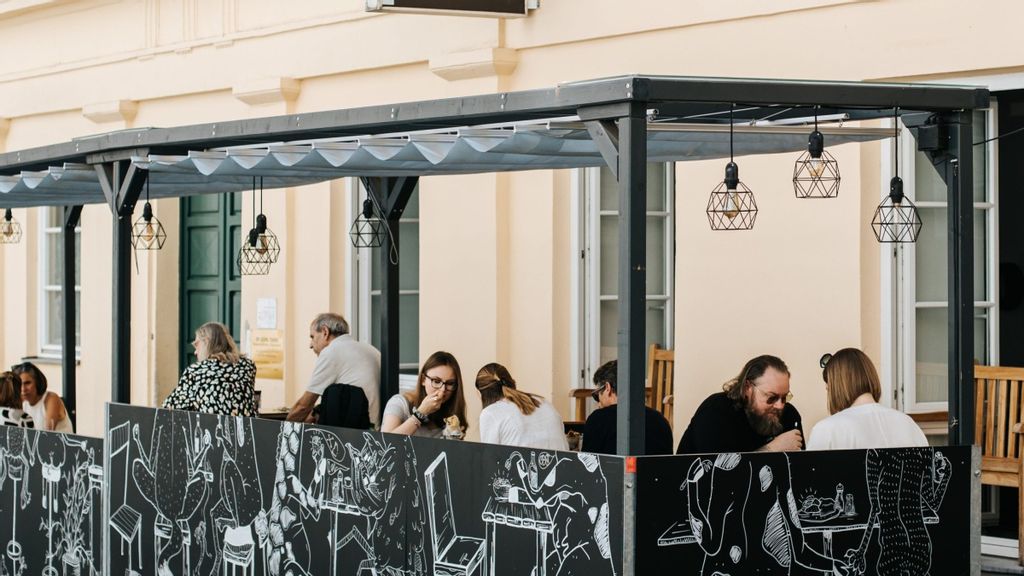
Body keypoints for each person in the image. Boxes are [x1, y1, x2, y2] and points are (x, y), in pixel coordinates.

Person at [676, 354, 803, 454]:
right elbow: (718, 475)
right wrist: (771, 449)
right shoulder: (716, 411)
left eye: (785, 398)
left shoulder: (789, 414)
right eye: (771, 397)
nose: (780, 405)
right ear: (748, 388)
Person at [807, 348, 927, 450]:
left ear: (837, 386)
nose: (828, 391)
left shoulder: (827, 430)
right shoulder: (907, 424)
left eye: (829, 387)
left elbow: (811, 476)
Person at [287, 313, 381, 427]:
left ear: (325, 332)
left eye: (312, 337)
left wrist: (283, 429)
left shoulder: (331, 351)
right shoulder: (371, 350)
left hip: (352, 432)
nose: (310, 345)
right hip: (376, 429)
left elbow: (303, 406)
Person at [163, 322, 257, 416]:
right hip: (246, 429)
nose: (195, 352)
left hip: (211, 429)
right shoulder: (248, 367)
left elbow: (169, 407)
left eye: (197, 345)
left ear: (207, 342)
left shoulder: (196, 372)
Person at [581, 360, 673, 455]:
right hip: (654, 470)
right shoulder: (660, 420)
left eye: (596, 395)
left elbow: (588, 464)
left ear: (607, 388)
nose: (598, 403)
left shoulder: (598, 419)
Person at [475, 362, 568, 450]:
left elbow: (489, 461)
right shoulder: (542, 401)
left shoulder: (490, 413)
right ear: (512, 382)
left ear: (480, 393)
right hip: (562, 465)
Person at [381, 351, 468, 438]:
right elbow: (385, 443)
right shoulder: (399, 403)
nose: (442, 390)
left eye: (450, 383)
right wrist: (420, 413)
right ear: (423, 380)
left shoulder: (452, 413)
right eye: (436, 381)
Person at [14, 361, 73, 433]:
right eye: (20, 384)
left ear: (37, 382)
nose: (23, 389)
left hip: (55, 443)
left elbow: (47, 434)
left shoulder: (51, 398)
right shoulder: (23, 402)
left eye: (27, 383)